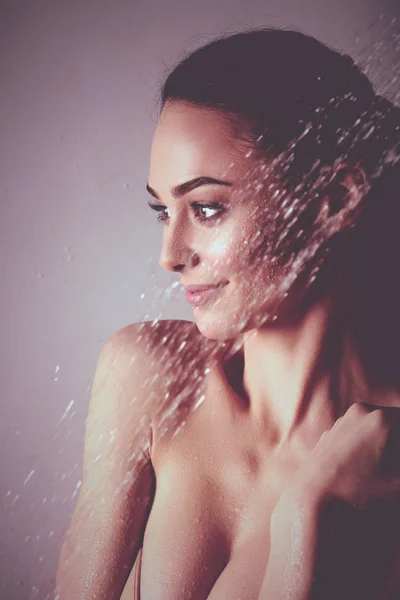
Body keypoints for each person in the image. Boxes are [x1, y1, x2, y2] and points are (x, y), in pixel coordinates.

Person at [55, 28, 400, 600]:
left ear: (335, 200)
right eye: (163, 212)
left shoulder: (384, 468)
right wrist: (300, 540)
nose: (169, 256)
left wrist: (312, 529)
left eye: (207, 209)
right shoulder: (152, 376)